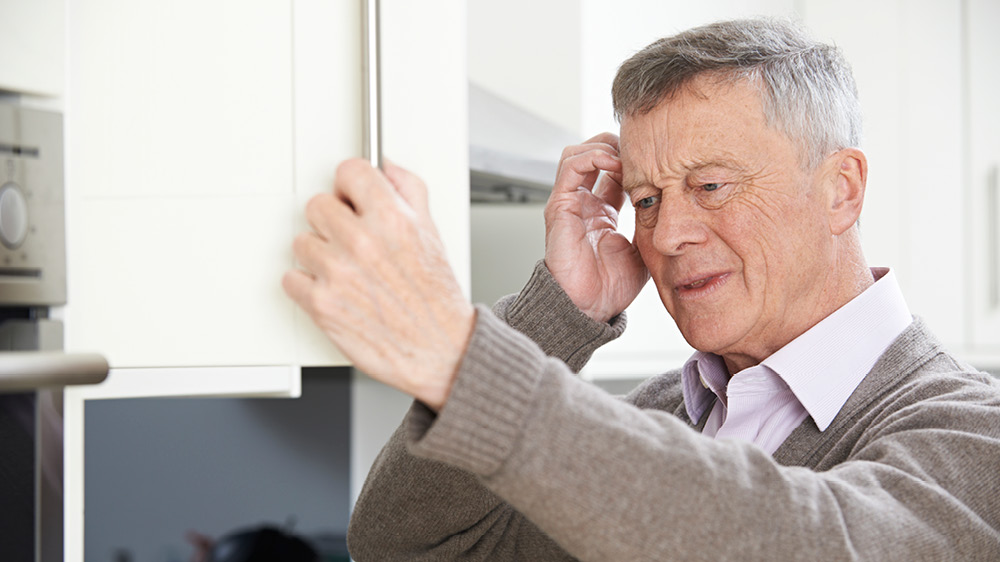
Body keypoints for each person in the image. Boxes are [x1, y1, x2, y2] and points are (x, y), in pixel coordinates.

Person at [283, 17, 1000, 561]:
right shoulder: (664, 414)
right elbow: (406, 544)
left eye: (711, 185)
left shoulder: (970, 432)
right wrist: (554, 317)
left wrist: (459, 357)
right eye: (648, 198)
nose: (666, 235)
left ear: (841, 190)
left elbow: (801, 538)